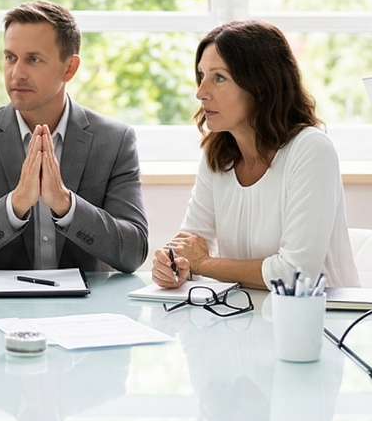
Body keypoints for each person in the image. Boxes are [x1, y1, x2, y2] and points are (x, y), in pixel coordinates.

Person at [0, 0, 148, 274]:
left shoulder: (114, 141)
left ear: (69, 68)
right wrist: (16, 204)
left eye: (33, 60)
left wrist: (65, 203)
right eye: (10, 57)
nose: (17, 73)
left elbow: (133, 252)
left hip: (87, 311)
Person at [152, 19, 359, 290]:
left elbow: (295, 274)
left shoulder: (311, 150)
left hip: (324, 323)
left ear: (261, 86)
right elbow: (192, 242)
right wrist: (172, 264)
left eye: (219, 78)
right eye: (202, 76)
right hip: (245, 316)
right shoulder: (218, 154)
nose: (201, 93)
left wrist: (202, 264)